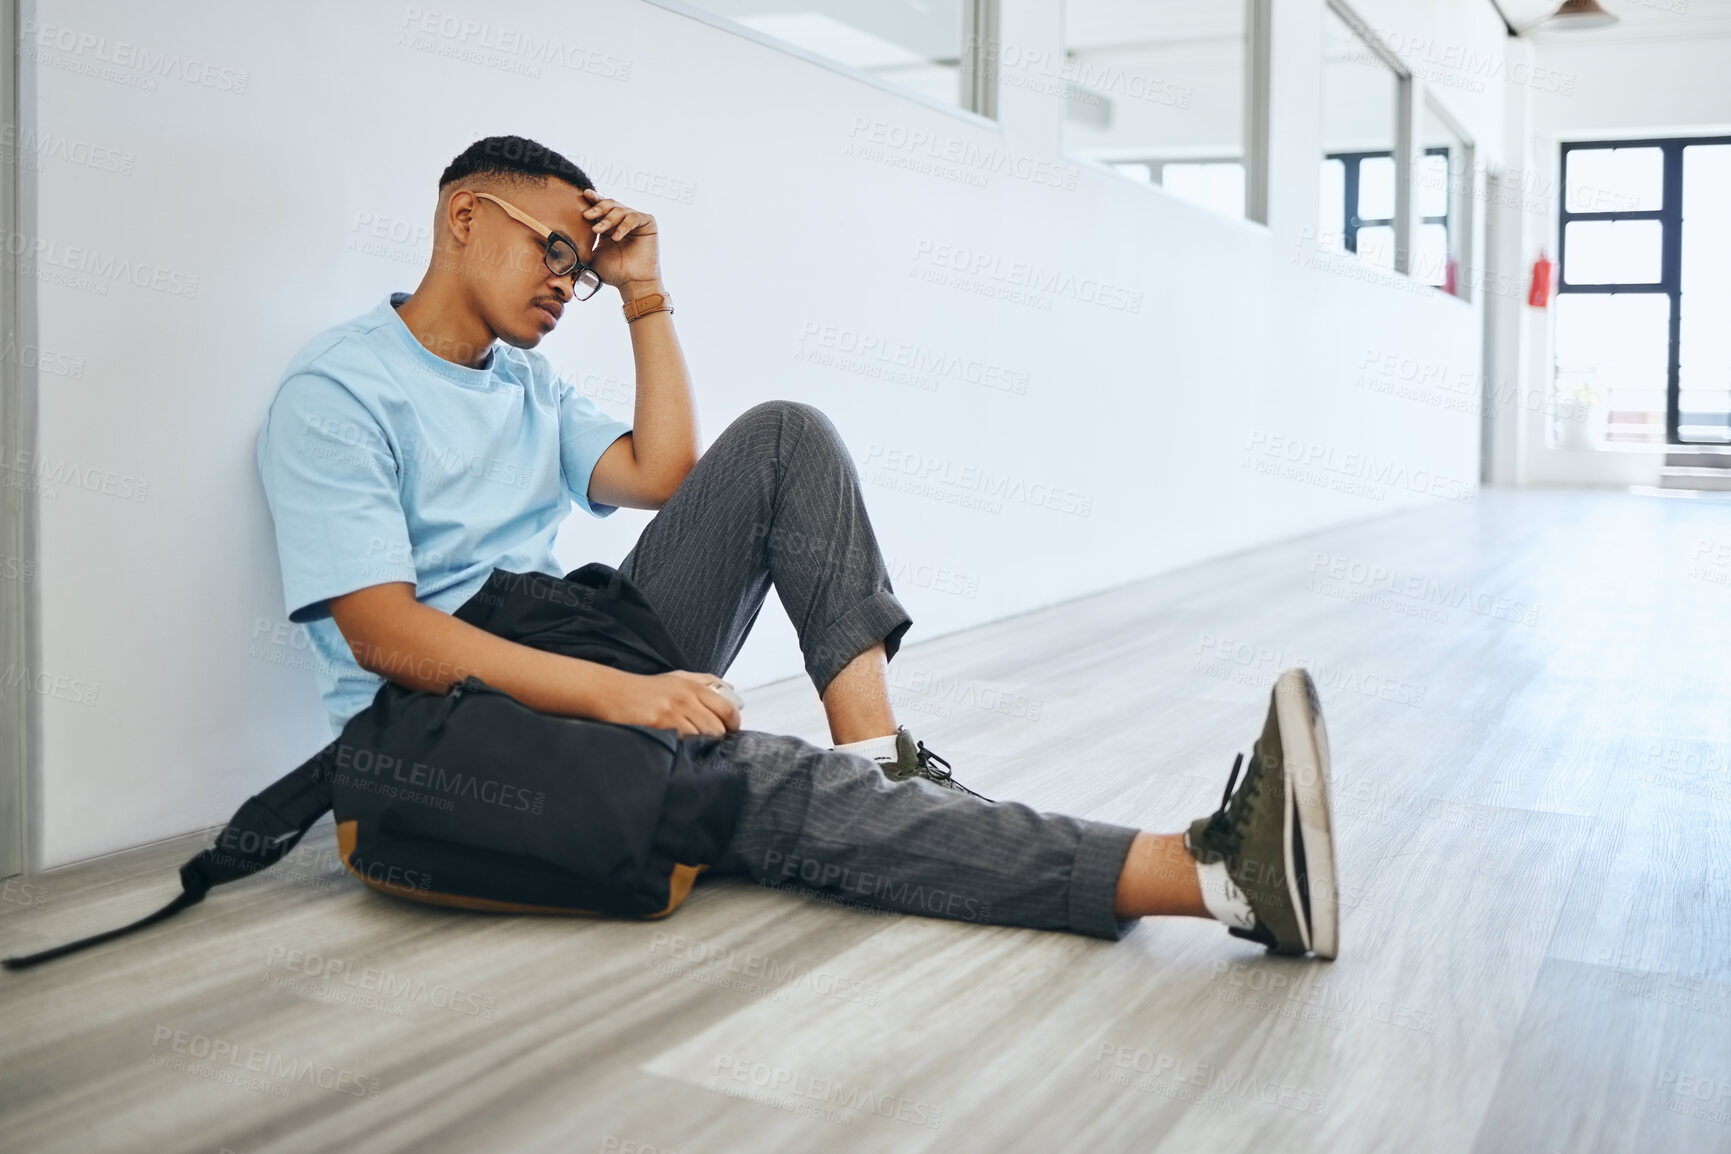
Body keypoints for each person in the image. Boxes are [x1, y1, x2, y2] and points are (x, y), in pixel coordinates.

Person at [255, 136, 1340, 959]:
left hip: (564, 636)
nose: (561, 280)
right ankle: (1210, 876)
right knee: (764, 782)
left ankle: (879, 764)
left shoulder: (524, 380)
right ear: (459, 218)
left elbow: (664, 473)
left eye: (576, 267)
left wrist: (641, 292)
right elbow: (386, 635)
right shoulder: (340, 388)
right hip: (442, 728)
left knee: (786, 435)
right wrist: (618, 696)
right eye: (551, 249)